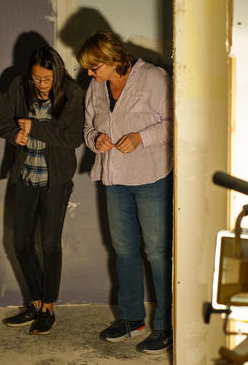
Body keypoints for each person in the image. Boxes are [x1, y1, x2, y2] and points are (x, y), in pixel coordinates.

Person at [77, 30, 173, 354]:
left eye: (94, 68)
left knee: (158, 252)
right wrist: (96, 141)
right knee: (124, 250)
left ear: (113, 59)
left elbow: (175, 122)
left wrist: (141, 137)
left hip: (151, 177)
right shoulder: (95, 87)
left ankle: (165, 325)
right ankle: (132, 319)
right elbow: (88, 126)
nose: (90, 74)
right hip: (114, 178)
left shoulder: (155, 79)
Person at [0, 45, 84, 335]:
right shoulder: (19, 85)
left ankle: (49, 307)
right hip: (25, 174)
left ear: (57, 74)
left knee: (49, 244)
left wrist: (33, 127)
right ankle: (34, 303)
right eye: (36, 79)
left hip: (55, 179)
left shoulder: (72, 93)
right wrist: (14, 133)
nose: (41, 85)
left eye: (46, 79)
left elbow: (72, 138)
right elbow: (2, 117)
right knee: (20, 243)